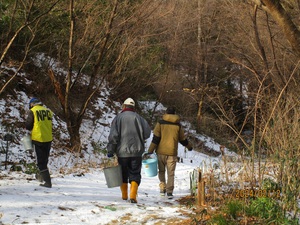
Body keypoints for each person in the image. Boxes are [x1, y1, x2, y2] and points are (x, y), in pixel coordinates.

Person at [107, 98, 151, 203]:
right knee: (135, 173)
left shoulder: (118, 118)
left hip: (122, 152)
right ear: (133, 107)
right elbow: (147, 133)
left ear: (124, 106)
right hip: (137, 152)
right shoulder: (140, 118)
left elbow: (113, 136)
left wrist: (110, 150)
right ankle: (133, 196)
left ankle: (124, 195)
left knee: (123, 173)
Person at [147, 106, 192, 199]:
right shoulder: (178, 126)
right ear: (174, 114)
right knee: (171, 173)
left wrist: (150, 151)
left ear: (166, 113)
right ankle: (170, 191)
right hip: (172, 153)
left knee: (161, 171)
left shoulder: (160, 123)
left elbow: (155, 139)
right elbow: (183, 139)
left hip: (160, 152)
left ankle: (162, 188)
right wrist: (189, 147)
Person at [25, 97, 53, 188]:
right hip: (48, 138)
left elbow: (28, 126)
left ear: (32, 104)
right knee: (44, 160)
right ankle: (42, 177)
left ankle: (47, 182)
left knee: (40, 162)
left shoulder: (33, 111)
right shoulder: (48, 111)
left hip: (38, 139)